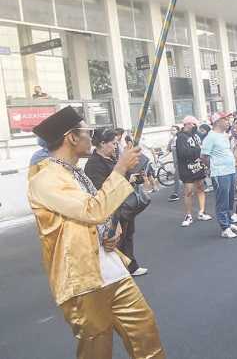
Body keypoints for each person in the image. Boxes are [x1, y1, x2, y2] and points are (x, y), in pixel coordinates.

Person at [27, 106, 164, 358]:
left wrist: (110, 230)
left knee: (145, 331)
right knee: (97, 350)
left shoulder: (74, 172)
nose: (93, 136)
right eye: (88, 131)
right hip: (83, 281)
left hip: (113, 270)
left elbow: (95, 215)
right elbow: (91, 210)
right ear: (72, 137)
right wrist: (120, 169)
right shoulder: (45, 179)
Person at [84, 127, 148, 277]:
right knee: (116, 240)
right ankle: (118, 270)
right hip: (111, 208)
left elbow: (122, 177)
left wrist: (134, 177)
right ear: (101, 143)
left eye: (116, 143)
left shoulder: (113, 159)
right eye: (113, 143)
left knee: (128, 234)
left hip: (124, 204)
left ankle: (130, 265)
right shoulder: (93, 164)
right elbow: (99, 189)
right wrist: (126, 178)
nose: (115, 146)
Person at [201, 111, 237, 239]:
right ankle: (224, 227)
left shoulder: (224, 135)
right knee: (222, 201)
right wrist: (213, 167)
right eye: (225, 119)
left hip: (230, 171)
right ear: (218, 121)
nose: (228, 122)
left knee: (230, 199)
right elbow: (204, 156)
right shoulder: (211, 137)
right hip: (220, 173)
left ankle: (229, 222)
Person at [175, 116, 211, 227]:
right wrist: (197, 150)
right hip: (187, 169)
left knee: (200, 187)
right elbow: (183, 153)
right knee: (189, 191)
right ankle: (188, 215)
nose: (196, 127)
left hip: (198, 167)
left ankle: (202, 211)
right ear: (188, 124)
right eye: (194, 125)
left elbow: (202, 147)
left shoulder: (196, 136)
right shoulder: (181, 137)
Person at [166, 125, 183, 202]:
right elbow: (168, 150)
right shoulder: (171, 140)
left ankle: (176, 194)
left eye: (174, 130)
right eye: (171, 130)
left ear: (178, 131)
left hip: (181, 162)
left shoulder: (180, 139)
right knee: (180, 178)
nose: (172, 131)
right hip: (176, 163)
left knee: (177, 178)